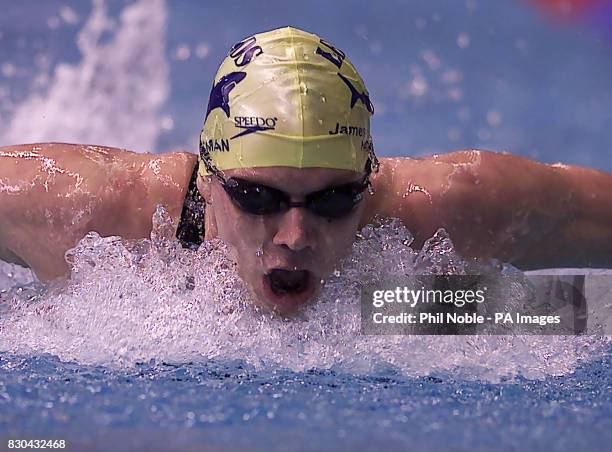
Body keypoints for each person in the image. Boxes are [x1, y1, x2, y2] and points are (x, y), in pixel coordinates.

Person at [0, 27, 611, 315]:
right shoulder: (96, 214)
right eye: (258, 197)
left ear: (368, 182)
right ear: (210, 178)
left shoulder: (447, 212)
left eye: (331, 200)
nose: (294, 235)